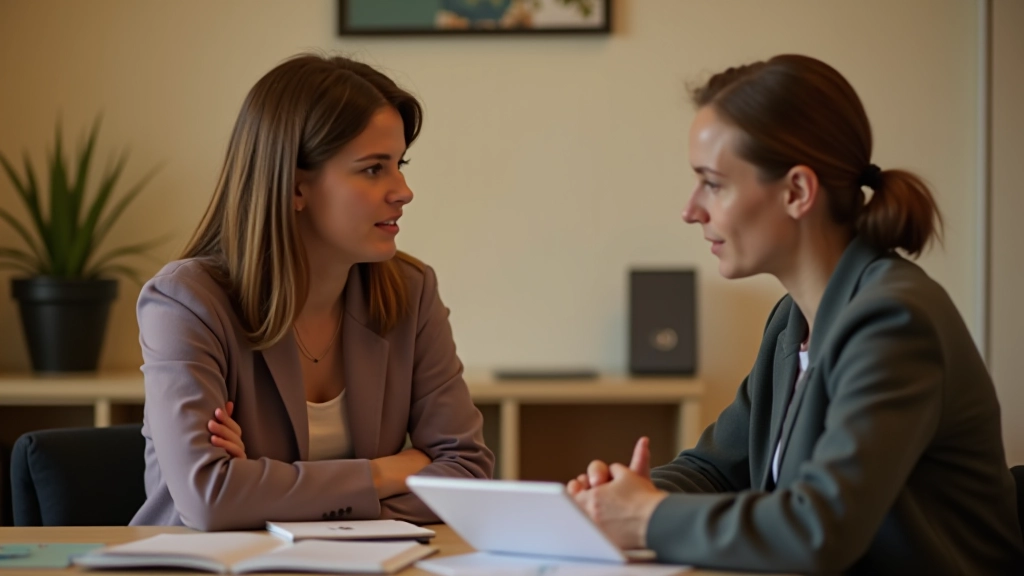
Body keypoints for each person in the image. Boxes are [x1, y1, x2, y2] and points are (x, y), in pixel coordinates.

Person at [567, 54, 1024, 574]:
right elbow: (715, 469)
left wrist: (649, 518)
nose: (692, 209)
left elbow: (818, 529)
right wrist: (627, 497)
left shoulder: (894, 321)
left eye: (713, 183)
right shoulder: (792, 320)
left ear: (797, 192)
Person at [130, 54, 494, 531]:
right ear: (296, 187)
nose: (403, 190)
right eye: (372, 169)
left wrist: (261, 489)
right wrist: (386, 471)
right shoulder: (185, 304)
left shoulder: (411, 291)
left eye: (399, 164)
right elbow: (211, 499)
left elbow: (467, 474)